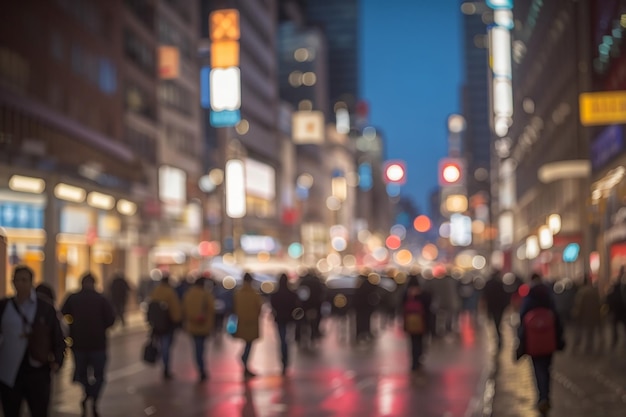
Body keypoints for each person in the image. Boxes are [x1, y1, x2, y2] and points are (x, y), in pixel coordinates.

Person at [0, 265, 66, 417]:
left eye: (24, 280)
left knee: (39, 410)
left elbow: (57, 335)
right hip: (9, 371)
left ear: (31, 282)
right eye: (17, 280)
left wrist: (58, 359)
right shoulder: (4, 307)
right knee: (11, 410)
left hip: (38, 369)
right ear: (13, 282)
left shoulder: (45, 308)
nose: (21, 284)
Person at [61, 273, 116, 417]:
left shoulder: (73, 298)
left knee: (81, 374)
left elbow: (62, 314)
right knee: (99, 376)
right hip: (98, 344)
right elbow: (111, 320)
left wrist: (73, 325)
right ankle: (93, 398)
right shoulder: (102, 299)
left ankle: (87, 394)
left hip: (79, 343)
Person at [517, 273, 565, 416]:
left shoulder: (529, 298)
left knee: (538, 369)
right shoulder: (549, 296)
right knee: (547, 368)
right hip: (549, 338)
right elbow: (557, 318)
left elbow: (522, 321)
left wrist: (521, 341)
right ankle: (546, 395)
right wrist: (559, 338)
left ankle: (542, 396)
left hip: (533, 340)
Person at [147, 273, 182, 380]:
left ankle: (161, 361)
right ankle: (166, 368)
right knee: (166, 346)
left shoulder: (155, 291)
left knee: (161, 344)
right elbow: (175, 309)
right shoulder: (170, 292)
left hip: (156, 325)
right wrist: (178, 321)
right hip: (168, 324)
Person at [181, 277, 215, 382]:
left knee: (197, 347)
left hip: (192, 326)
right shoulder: (206, 294)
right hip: (204, 325)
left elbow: (184, 309)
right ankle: (202, 369)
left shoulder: (188, 294)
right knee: (201, 348)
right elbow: (212, 308)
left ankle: (200, 367)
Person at [233, 272, 264, 378]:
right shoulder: (254, 294)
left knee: (246, 343)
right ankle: (245, 361)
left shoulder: (238, 293)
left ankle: (245, 363)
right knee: (249, 344)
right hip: (252, 323)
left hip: (241, 322)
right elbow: (259, 308)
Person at [270, 273, 301, 375]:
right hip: (289, 319)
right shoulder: (291, 293)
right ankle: (286, 359)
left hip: (279, 319)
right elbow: (295, 304)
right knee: (287, 340)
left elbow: (273, 305)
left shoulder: (276, 294)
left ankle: (283, 359)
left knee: (282, 339)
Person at [402, 274, 432, 372]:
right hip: (422, 321)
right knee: (421, 340)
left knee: (413, 341)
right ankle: (419, 358)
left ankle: (414, 361)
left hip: (410, 321)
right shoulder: (423, 293)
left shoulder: (406, 294)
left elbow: (402, 305)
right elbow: (428, 305)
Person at [570, 274, 603, 353]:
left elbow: (579, 305)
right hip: (593, 315)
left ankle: (576, 347)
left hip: (583, 316)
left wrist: (576, 314)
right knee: (590, 333)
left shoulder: (581, 292)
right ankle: (589, 348)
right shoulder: (594, 291)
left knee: (579, 332)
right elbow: (599, 303)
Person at [481, 270, 511, 351]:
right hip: (499, 307)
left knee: (494, 323)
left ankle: (498, 337)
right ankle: (499, 337)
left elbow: (484, 296)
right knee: (498, 322)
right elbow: (505, 295)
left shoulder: (489, 283)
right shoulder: (500, 283)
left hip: (492, 307)